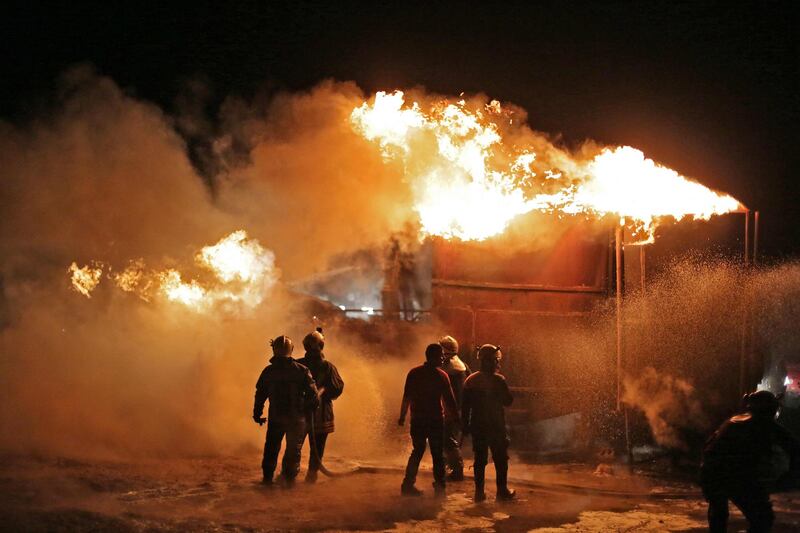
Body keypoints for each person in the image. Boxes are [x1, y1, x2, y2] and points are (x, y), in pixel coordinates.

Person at [701, 390, 800, 532]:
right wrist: (788, 477)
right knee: (763, 518)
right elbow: (795, 448)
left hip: (712, 474)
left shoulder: (733, 421)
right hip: (737, 477)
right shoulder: (764, 423)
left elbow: (709, 448)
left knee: (718, 515)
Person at [253, 335, 319, 487]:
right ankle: (288, 482)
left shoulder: (268, 372)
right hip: (297, 420)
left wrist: (257, 414)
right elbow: (314, 397)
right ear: (292, 350)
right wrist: (309, 410)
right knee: (293, 451)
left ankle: (267, 480)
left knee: (271, 449)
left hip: (276, 418)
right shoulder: (302, 371)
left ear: (274, 350)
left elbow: (260, 395)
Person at [398, 343, 459, 496]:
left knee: (417, 451)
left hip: (418, 420)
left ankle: (407, 485)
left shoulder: (414, 373)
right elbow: (450, 400)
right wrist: (457, 419)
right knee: (437, 454)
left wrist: (402, 416)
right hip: (435, 421)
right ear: (434, 357)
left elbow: (407, 397)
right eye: (441, 356)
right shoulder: (441, 376)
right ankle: (440, 487)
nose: (443, 358)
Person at [462, 344, 515, 502]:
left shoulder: (470, 380)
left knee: (480, 459)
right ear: (493, 360)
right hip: (496, 425)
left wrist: (465, 426)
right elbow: (508, 401)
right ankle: (502, 491)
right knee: (500, 458)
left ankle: (479, 493)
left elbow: (465, 407)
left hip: (477, 425)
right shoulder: (499, 380)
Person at [297, 328, 345, 483]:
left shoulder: (297, 365)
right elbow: (337, 388)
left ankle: (289, 474)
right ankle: (312, 475)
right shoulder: (328, 367)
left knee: (295, 445)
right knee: (317, 447)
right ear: (321, 346)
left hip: (299, 413)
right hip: (321, 414)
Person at [439, 335, 471, 481]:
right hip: (458, 408)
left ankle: (457, 470)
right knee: (446, 438)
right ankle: (448, 464)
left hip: (451, 409)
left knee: (448, 439)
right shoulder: (463, 366)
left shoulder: (446, 369)